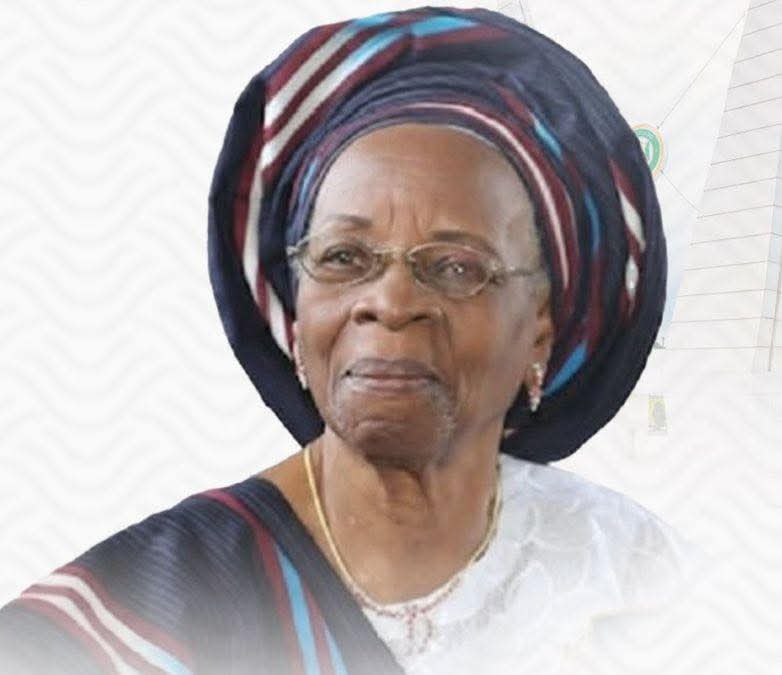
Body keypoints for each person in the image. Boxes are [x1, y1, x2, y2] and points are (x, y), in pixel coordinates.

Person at [0, 6, 701, 674]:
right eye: (343, 258)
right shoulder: (147, 606)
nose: (390, 304)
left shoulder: (631, 577)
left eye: (456, 267)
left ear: (541, 327)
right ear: (295, 315)